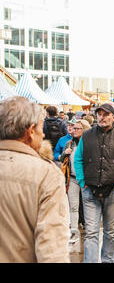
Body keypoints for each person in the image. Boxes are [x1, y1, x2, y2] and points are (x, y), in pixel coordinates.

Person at [0, 96, 70, 262]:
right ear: (30, 131)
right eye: (40, 127)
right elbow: (52, 250)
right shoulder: (47, 175)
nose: (43, 133)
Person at [74, 103, 114, 263]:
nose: (102, 117)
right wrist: (82, 182)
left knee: (110, 232)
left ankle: (108, 260)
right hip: (89, 190)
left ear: (113, 117)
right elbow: (78, 159)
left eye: (106, 114)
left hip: (113, 192)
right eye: (99, 114)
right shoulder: (86, 136)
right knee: (91, 232)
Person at [60, 119, 91, 244]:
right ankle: (74, 232)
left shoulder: (89, 144)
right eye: (73, 128)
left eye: (77, 128)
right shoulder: (69, 143)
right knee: (73, 207)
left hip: (86, 180)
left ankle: (90, 231)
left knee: (88, 205)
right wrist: (65, 153)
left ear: (84, 130)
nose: (74, 130)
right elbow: (62, 159)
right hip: (72, 179)